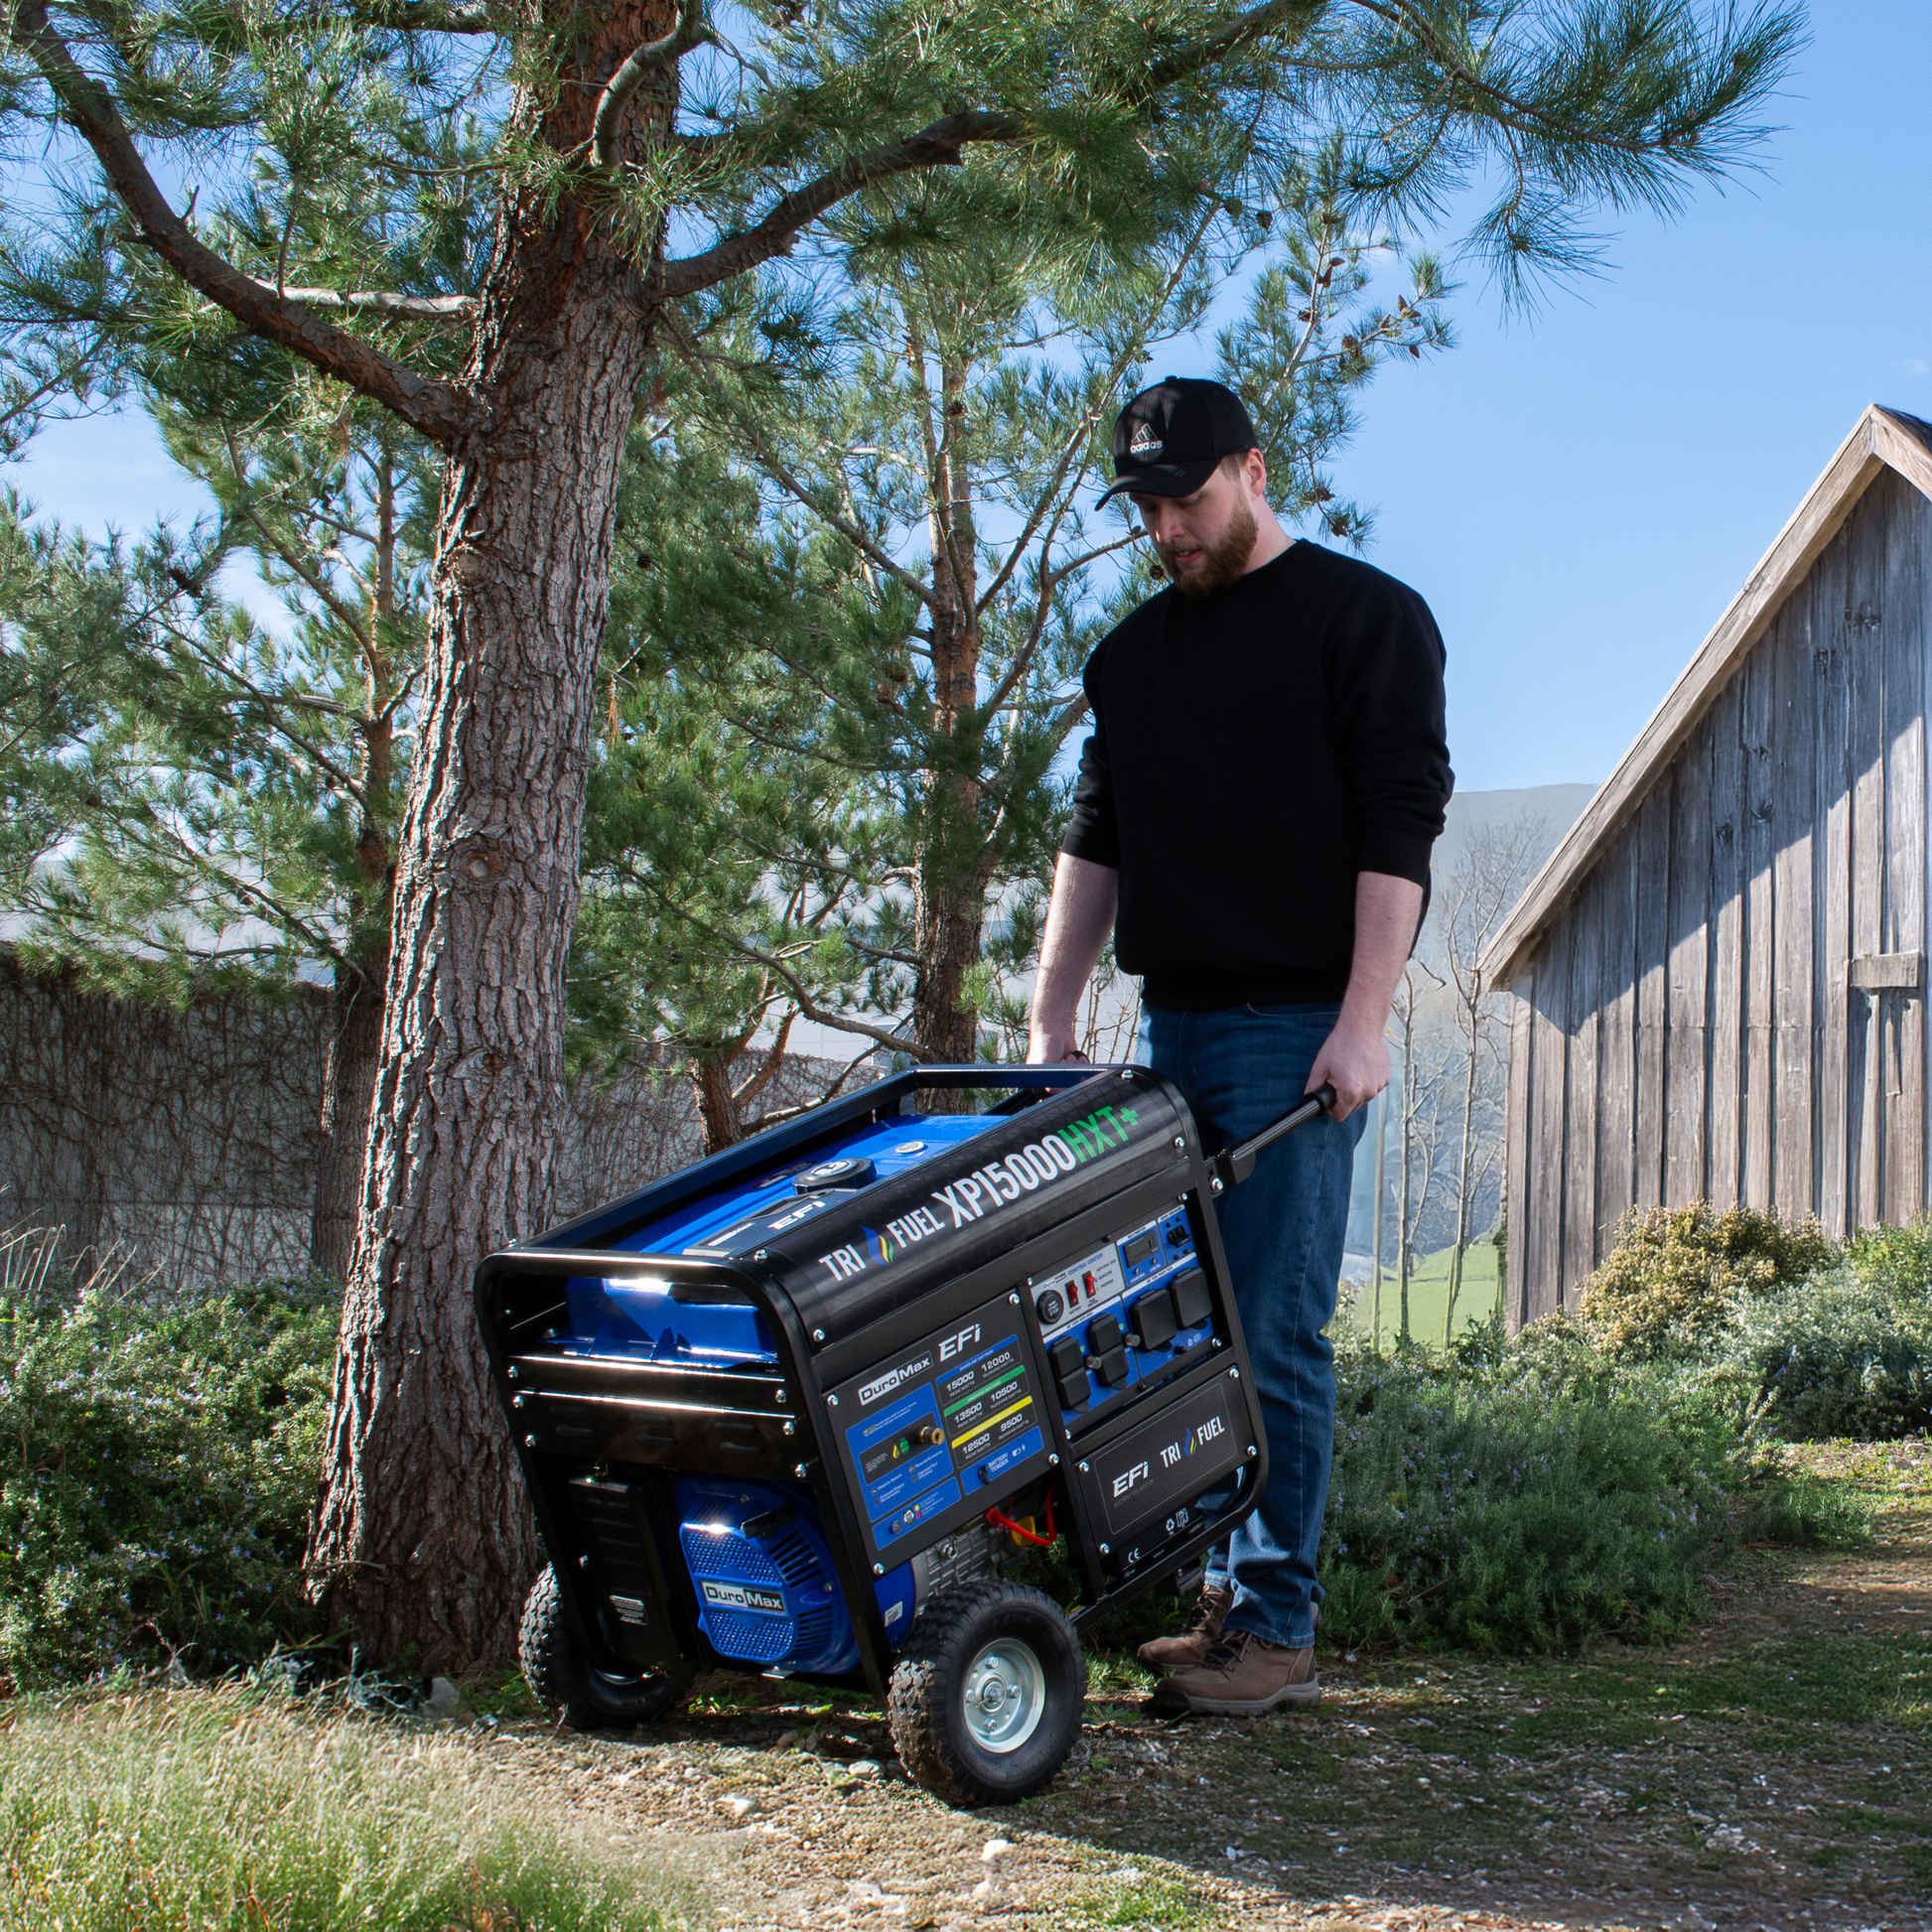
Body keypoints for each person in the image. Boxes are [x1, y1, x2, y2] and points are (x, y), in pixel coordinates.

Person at [1027, 375, 1452, 1717]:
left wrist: (1364, 1022)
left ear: (1253, 471)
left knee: (1269, 1331)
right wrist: (1050, 1016)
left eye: (1188, 498)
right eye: (1146, 506)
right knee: (1177, 1330)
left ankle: (1274, 1626)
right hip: (1169, 1029)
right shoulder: (1133, 658)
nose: (1167, 528)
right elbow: (1094, 837)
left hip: (1294, 1031)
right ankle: (1218, 1602)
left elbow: (1398, 828)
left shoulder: (1363, 620)